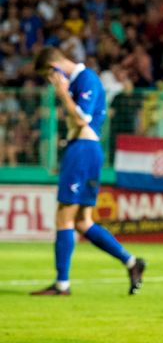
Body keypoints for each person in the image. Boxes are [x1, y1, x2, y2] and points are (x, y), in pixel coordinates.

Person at [30, 47, 145, 296]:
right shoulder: (79, 82)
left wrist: (62, 94)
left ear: (55, 68)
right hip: (82, 149)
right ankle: (132, 262)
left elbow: (82, 118)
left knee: (64, 217)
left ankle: (62, 284)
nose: (50, 82)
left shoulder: (86, 78)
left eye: (48, 76)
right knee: (82, 221)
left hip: (84, 150)